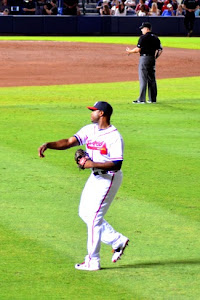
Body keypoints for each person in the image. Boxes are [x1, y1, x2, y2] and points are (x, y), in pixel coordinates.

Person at [38, 101, 129, 271]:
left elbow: (117, 164)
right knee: (84, 213)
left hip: (109, 178)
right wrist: (48, 145)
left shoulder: (114, 136)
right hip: (95, 176)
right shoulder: (89, 130)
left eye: (93, 111)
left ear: (101, 114)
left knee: (94, 218)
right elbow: (68, 141)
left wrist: (91, 163)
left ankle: (92, 261)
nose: (91, 113)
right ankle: (117, 241)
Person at [126, 22, 163, 104]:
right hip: (152, 58)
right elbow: (160, 50)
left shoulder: (143, 38)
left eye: (143, 28)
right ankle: (152, 99)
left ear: (147, 29)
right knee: (152, 78)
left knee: (143, 78)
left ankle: (141, 99)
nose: (142, 30)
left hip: (144, 58)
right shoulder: (156, 38)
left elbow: (138, 50)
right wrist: (155, 57)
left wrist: (130, 51)